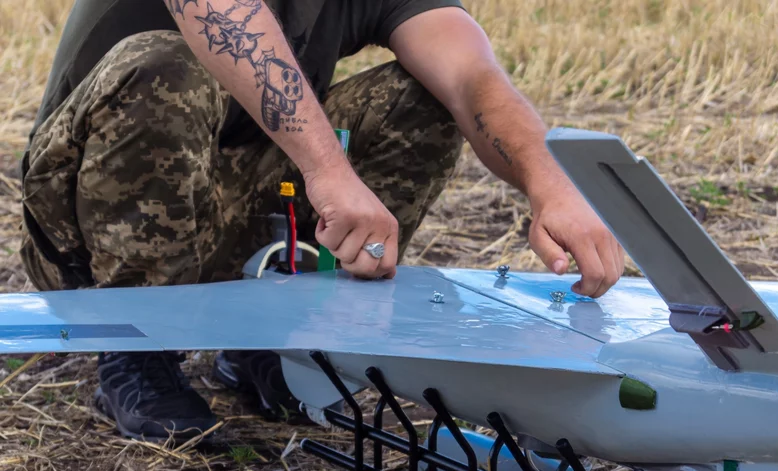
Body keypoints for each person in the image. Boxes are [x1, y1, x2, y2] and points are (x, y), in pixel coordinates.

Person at [19, 0, 625, 441]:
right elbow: (219, 12)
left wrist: (554, 188)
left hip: (224, 201)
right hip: (84, 227)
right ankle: (136, 347)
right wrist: (329, 169)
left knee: (421, 95)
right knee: (162, 63)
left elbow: (469, 76)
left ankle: (280, 336)